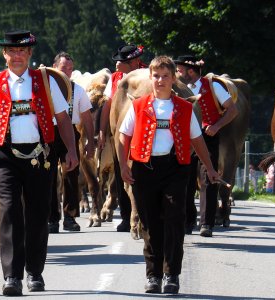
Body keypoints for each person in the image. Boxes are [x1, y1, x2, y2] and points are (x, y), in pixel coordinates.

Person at [0, 30, 78, 296]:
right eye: (11, 51)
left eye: (21, 51)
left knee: (38, 215)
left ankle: (35, 272)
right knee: (10, 213)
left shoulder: (45, 81)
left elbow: (63, 119)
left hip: (41, 157)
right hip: (6, 156)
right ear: (4, 55)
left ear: (29, 54)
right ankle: (12, 276)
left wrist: (71, 151)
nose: (16, 56)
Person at [118, 55, 220, 294]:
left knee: (174, 221)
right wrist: (123, 165)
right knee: (151, 224)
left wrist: (210, 168)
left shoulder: (185, 108)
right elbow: (124, 136)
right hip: (145, 169)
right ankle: (153, 275)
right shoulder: (138, 105)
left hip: (175, 168)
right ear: (150, 77)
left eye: (165, 76)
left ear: (174, 78)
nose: (160, 80)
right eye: (156, 76)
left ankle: (171, 274)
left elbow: (197, 140)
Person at [175, 55, 238, 237]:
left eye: (179, 70)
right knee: (185, 178)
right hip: (186, 138)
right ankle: (188, 221)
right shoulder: (177, 88)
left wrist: (217, 126)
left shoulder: (213, 86)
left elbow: (232, 110)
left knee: (208, 179)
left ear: (191, 71)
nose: (177, 74)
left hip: (207, 136)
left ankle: (206, 223)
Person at [98, 44, 145, 232]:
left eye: (122, 61)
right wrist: (102, 130)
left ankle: (144, 212)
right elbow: (107, 106)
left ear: (133, 62)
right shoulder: (116, 79)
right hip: (119, 133)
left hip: (142, 133)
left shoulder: (149, 75)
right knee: (120, 172)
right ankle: (127, 216)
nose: (117, 64)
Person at [48, 51, 96, 233]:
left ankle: (70, 217)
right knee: (50, 176)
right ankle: (52, 218)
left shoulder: (78, 90)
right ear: (54, 68)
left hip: (70, 133)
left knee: (71, 175)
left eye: (70, 68)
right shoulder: (46, 89)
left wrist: (90, 142)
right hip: (50, 133)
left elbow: (87, 118)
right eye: (63, 68)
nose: (67, 72)